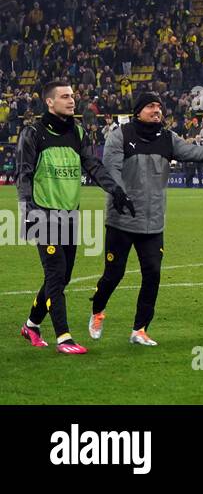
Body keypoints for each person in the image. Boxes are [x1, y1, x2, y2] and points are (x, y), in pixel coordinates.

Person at [89, 92, 203, 346]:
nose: (157, 110)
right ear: (138, 111)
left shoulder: (168, 138)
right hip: (122, 219)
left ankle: (139, 329)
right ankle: (98, 310)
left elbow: (198, 154)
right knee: (113, 275)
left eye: (159, 107)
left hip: (153, 222)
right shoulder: (121, 135)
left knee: (152, 275)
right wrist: (119, 193)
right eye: (151, 106)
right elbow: (111, 169)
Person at [17, 80, 135, 354]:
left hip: (69, 214)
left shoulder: (78, 132)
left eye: (73, 96)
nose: (72, 100)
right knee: (56, 273)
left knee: (63, 276)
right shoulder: (32, 133)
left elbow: (93, 165)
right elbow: (23, 173)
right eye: (65, 97)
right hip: (42, 212)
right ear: (49, 102)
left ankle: (31, 325)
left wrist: (117, 192)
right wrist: (26, 209)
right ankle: (64, 337)